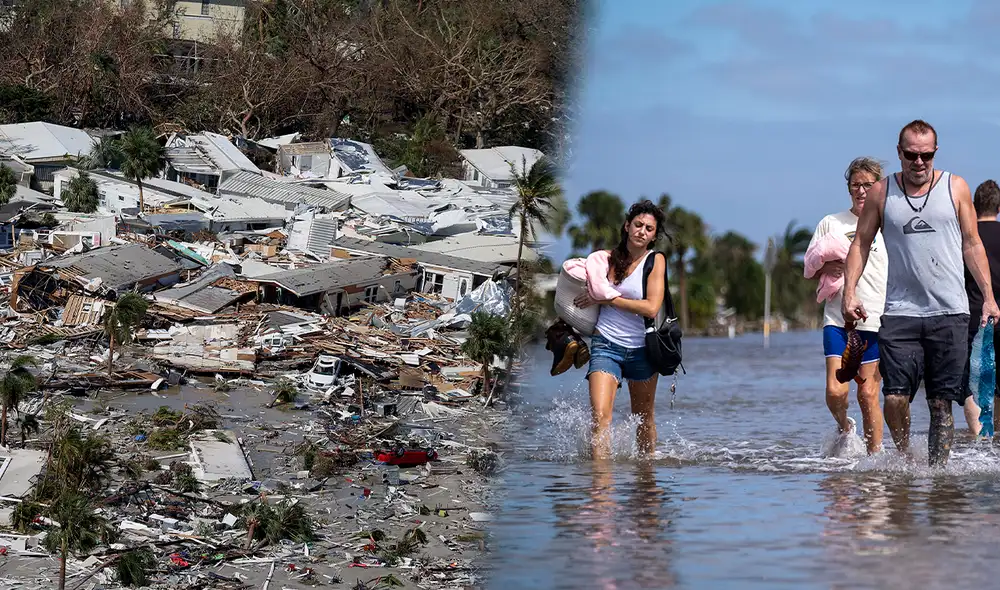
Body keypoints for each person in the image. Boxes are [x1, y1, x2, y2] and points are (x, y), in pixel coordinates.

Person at [842, 119, 1000, 467]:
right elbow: (861, 244)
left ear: (935, 152)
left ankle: (937, 476)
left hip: (950, 312)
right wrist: (849, 292)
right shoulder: (883, 193)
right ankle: (905, 461)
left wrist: (988, 296)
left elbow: (973, 245)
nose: (919, 162)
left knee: (941, 403)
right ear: (899, 153)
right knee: (895, 398)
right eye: (911, 155)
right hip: (900, 312)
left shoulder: (955, 187)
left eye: (926, 155)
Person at [806, 157, 888, 456]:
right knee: (836, 390)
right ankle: (844, 426)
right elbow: (810, 268)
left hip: (877, 320)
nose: (862, 190)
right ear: (848, 188)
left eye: (868, 185)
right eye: (856, 185)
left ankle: (874, 460)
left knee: (868, 395)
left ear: (879, 187)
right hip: (838, 319)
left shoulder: (888, 223)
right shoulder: (831, 223)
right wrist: (830, 263)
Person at [573, 200, 667, 459]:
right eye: (638, 225)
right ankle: (601, 489)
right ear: (627, 226)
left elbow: (651, 308)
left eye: (649, 228)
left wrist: (607, 298)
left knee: (644, 419)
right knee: (600, 417)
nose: (642, 231)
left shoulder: (655, 260)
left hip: (643, 350)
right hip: (606, 344)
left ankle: (646, 478)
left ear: (654, 235)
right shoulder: (606, 260)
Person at [962, 179, 1000, 438]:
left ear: (974, 206)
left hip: (972, 316)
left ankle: (979, 439)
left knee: (972, 381)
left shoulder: (965, 238)